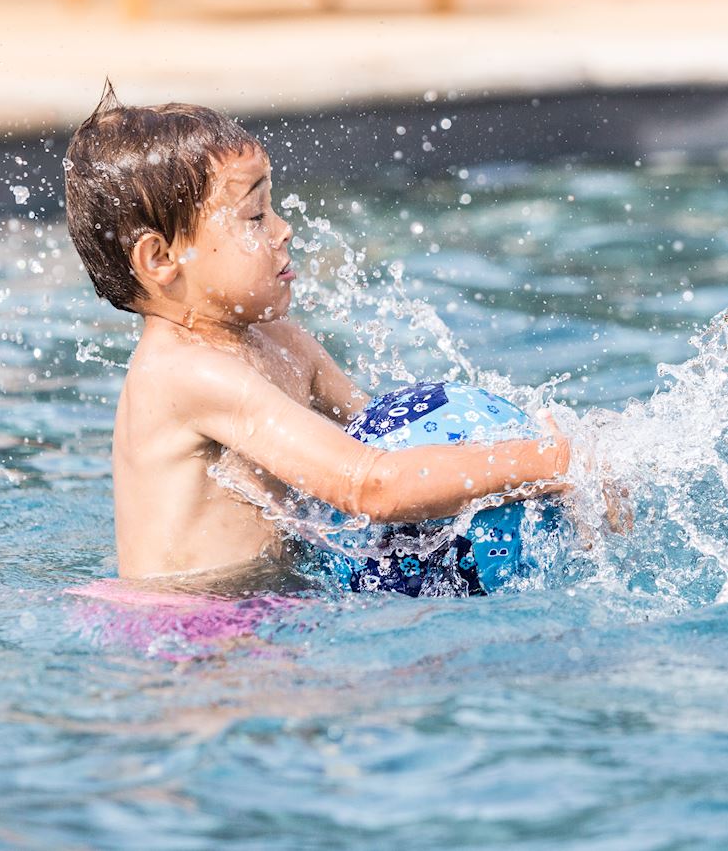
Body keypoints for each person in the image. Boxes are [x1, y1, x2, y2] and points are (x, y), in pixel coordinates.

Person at [63, 85, 574, 591]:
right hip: (194, 634)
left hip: (275, 605)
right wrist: (551, 461)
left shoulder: (284, 343)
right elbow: (368, 485)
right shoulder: (186, 374)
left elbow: (389, 442)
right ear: (161, 259)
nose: (283, 229)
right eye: (255, 215)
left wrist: (536, 491)